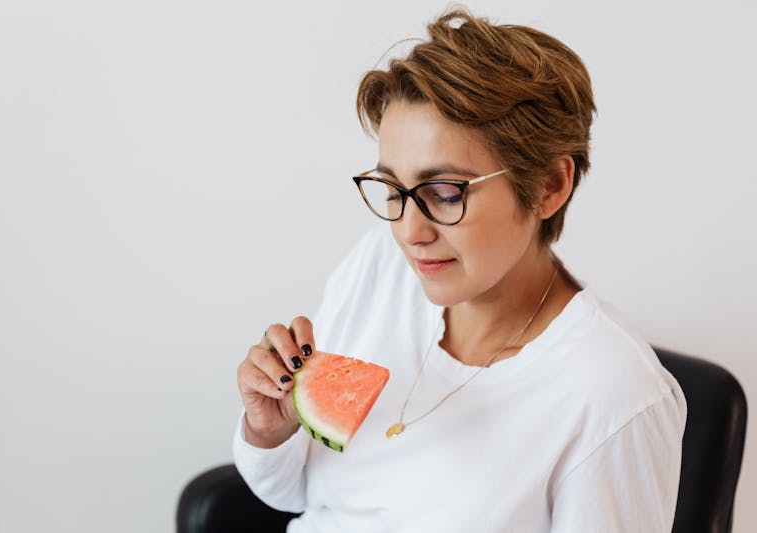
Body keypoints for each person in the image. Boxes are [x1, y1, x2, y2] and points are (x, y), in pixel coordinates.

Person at [233, 7, 686, 532]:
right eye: (392, 190)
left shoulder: (612, 394)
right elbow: (296, 494)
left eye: (444, 194)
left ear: (549, 187)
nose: (409, 232)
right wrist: (271, 432)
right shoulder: (382, 266)